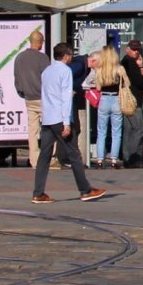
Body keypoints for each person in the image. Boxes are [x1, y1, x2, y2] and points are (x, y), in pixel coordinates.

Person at [32, 43, 107, 203]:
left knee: (44, 156)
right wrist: (67, 123)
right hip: (60, 118)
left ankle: (38, 193)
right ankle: (85, 190)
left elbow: (45, 95)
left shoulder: (47, 71)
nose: (72, 58)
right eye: (70, 55)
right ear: (66, 56)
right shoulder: (65, 71)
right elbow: (66, 98)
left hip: (48, 119)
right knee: (73, 155)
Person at [10, 31, 48, 173]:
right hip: (43, 98)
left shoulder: (19, 58)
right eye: (42, 41)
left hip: (29, 98)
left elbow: (17, 79)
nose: (42, 44)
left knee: (32, 131)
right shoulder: (43, 58)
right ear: (39, 42)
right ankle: (48, 158)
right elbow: (48, 79)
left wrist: (22, 92)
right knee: (49, 128)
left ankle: (34, 160)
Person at [89, 45, 129, 170]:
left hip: (104, 99)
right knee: (116, 132)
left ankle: (100, 159)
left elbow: (99, 88)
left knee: (101, 131)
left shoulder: (100, 69)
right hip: (116, 99)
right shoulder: (120, 68)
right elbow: (127, 84)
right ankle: (113, 159)